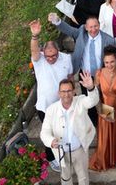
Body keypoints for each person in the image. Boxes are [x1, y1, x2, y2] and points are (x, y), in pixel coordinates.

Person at [30, 19, 73, 169]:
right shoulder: (39, 60)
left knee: (63, 131)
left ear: (58, 51)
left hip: (62, 105)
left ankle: (65, 153)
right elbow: (34, 51)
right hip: (45, 107)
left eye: (53, 55)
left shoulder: (66, 59)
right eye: (48, 56)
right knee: (49, 135)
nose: (51, 58)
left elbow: (69, 79)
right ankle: (51, 158)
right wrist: (35, 36)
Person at [40, 75, 98, 185]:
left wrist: (91, 88)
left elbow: (92, 101)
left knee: (83, 178)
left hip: (79, 150)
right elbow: (44, 132)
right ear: (59, 93)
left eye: (69, 91)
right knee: (65, 179)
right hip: (62, 152)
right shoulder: (51, 110)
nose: (66, 94)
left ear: (74, 91)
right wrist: (51, 141)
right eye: (63, 91)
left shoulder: (80, 101)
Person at [48, 15, 116, 76]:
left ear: (99, 25)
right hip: (84, 75)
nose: (93, 29)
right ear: (86, 27)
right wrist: (57, 21)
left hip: (103, 75)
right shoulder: (81, 33)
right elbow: (69, 30)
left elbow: (113, 59)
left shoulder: (109, 40)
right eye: (90, 27)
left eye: (96, 26)